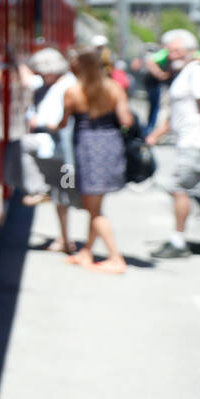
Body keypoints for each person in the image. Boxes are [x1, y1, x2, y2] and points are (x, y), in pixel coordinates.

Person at [50, 49, 134, 273]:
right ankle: (86, 251)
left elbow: (63, 122)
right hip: (111, 145)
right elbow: (126, 119)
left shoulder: (73, 91)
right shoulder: (114, 87)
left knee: (94, 210)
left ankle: (116, 258)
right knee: (96, 204)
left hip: (87, 148)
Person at [147, 29, 200, 258]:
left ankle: (178, 241)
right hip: (193, 141)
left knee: (180, 190)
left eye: (175, 50)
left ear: (189, 51)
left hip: (197, 143)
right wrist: (157, 134)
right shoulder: (184, 74)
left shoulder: (198, 73)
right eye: (169, 51)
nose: (170, 56)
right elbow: (179, 114)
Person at [20, 47, 79, 254]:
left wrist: (41, 122)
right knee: (61, 197)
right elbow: (29, 79)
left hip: (65, 154)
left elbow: (60, 122)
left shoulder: (67, 87)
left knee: (66, 194)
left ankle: (39, 190)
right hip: (60, 151)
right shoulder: (57, 83)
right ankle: (65, 239)